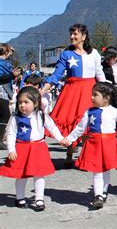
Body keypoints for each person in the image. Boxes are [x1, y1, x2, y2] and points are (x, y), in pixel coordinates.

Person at [61, 82, 117, 209]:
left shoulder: (114, 111)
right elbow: (80, 129)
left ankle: (104, 191)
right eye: (92, 95)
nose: (92, 98)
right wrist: (69, 139)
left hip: (109, 144)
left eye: (95, 95)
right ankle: (98, 195)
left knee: (106, 169)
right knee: (97, 170)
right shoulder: (89, 112)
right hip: (94, 145)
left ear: (106, 98)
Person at [42, 24, 106, 167]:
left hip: (90, 91)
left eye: (75, 34)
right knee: (71, 122)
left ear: (83, 37)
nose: (72, 37)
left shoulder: (94, 53)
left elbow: (99, 73)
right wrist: (44, 89)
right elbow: (57, 74)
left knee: (88, 123)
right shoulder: (66, 54)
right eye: (71, 34)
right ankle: (69, 153)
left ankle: (86, 157)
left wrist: (107, 90)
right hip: (72, 91)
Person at [0, 87, 65, 211]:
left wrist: (61, 138)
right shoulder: (15, 118)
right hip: (21, 148)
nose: (22, 105)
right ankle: (20, 197)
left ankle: (39, 199)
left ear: (35, 104)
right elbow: (11, 134)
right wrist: (11, 150)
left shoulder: (41, 115)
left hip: (38, 148)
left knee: (39, 174)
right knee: (21, 175)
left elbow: (52, 127)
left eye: (26, 102)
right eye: (20, 102)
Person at [0, 44, 21, 150]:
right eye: (10, 51)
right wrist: (12, 75)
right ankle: (0, 140)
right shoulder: (1, 63)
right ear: (6, 52)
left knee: (4, 115)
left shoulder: (5, 63)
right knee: (5, 115)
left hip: (4, 90)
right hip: (1, 90)